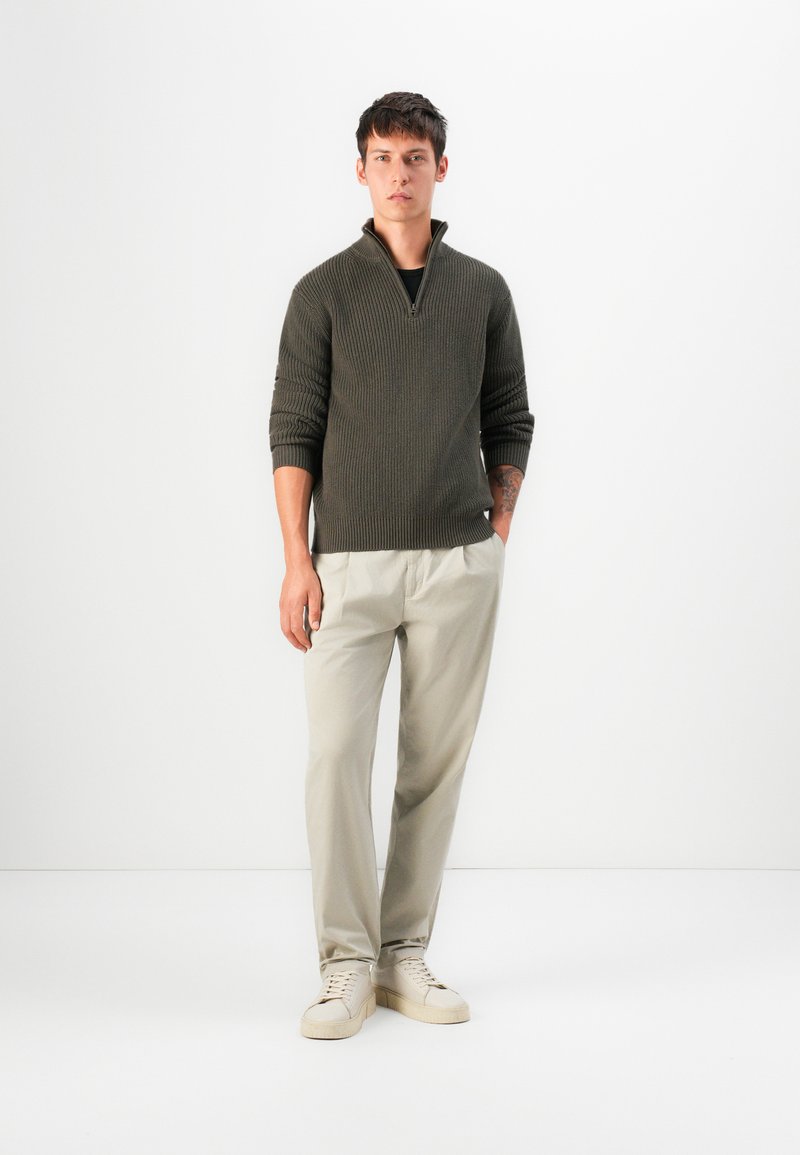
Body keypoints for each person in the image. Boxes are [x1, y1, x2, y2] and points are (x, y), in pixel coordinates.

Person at [269, 91, 534, 1040]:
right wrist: (296, 561)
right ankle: (344, 961)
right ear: (360, 170)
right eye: (381, 157)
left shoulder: (482, 289)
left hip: (456, 562)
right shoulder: (324, 291)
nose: (398, 174)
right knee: (336, 759)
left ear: (440, 169)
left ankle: (401, 952)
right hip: (347, 563)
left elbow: (510, 415)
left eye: (414, 157)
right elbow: (293, 429)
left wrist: (494, 529)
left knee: (433, 766)